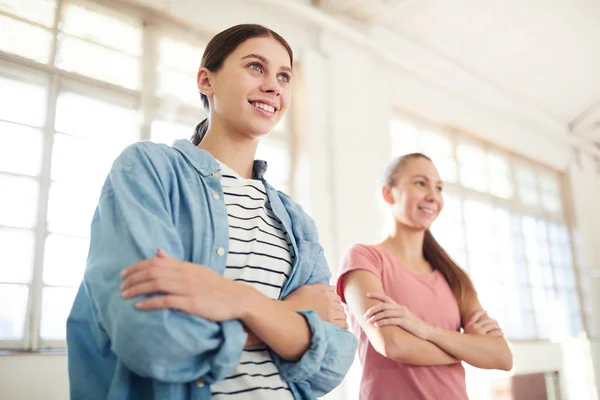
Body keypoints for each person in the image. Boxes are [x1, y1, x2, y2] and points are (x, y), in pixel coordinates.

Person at [67, 24, 357, 400]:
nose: (274, 85)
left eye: (284, 76)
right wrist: (283, 316)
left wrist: (238, 300)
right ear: (207, 80)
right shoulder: (150, 170)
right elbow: (151, 336)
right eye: (256, 67)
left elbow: (332, 360)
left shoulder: (295, 220)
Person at [337, 153, 513, 400]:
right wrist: (467, 347)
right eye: (421, 183)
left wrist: (425, 330)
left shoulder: (453, 277)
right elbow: (393, 344)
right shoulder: (364, 258)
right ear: (389, 194)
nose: (433, 196)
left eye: (439, 188)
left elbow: (502, 357)